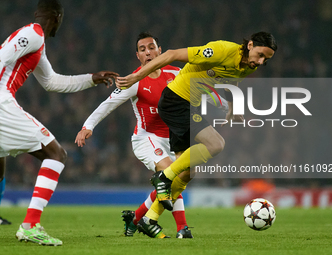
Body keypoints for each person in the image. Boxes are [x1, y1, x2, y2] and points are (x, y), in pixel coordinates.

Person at [116, 31, 277, 237]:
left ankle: (148, 218)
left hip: (189, 105)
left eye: (266, 59)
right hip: (175, 100)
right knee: (216, 144)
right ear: (250, 45)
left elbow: (230, 80)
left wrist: (231, 104)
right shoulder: (221, 50)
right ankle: (164, 176)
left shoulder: (247, 65)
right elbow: (172, 54)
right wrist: (137, 76)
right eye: (261, 54)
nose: (261, 61)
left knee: (187, 173)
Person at [75, 32, 229, 238]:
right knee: (169, 172)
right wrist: (88, 126)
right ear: (138, 56)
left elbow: (205, 91)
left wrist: (227, 106)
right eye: (142, 50)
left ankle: (136, 217)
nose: (147, 52)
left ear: (160, 51)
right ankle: (182, 228)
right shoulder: (135, 80)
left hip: (174, 138)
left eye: (151, 47)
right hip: (147, 138)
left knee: (186, 174)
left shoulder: (176, 73)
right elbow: (108, 104)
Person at [0, 0, 118, 246]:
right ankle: (30, 225)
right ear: (58, 17)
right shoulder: (33, 32)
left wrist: (91, 78)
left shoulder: (37, 44)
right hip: (2, 100)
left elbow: (52, 82)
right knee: (56, 154)